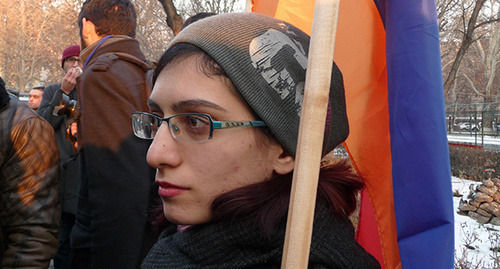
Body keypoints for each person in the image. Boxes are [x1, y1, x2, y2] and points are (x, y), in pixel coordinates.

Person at [137, 13, 380, 268]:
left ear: (285, 150)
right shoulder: (181, 245)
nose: (155, 155)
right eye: (157, 118)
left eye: (195, 122)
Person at [70, 0, 157, 268]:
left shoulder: (101, 75)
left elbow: (118, 186)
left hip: (107, 247)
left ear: (87, 26)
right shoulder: (141, 68)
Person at [0, 76, 61, 267]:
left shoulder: (26, 125)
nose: (32, 100)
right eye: (31, 96)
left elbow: (33, 232)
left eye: (37, 96)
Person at [38, 44, 82, 269]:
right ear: (63, 63)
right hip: (61, 178)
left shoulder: (92, 90)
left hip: (85, 175)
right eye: (71, 59)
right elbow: (45, 123)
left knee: (81, 241)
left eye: (79, 59)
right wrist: (63, 93)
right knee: (62, 240)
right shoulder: (54, 90)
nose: (75, 64)